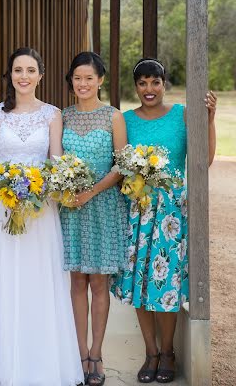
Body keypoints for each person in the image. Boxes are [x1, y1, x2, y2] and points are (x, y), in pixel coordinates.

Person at [0, 47, 83, 386]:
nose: (24, 76)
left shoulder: (52, 115)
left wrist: (36, 191)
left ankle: (42, 365)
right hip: (1, 212)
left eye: (30, 70)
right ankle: (3, 365)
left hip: (40, 212)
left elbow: (56, 160)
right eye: (18, 70)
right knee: (3, 282)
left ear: (40, 75)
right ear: (10, 75)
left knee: (39, 284)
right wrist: (6, 190)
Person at [112, 58, 217, 384]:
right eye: (142, 83)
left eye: (154, 82)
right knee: (138, 285)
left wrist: (210, 120)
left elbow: (204, 161)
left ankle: (168, 352)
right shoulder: (126, 121)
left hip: (171, 215)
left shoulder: (182, 115)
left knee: (166, 285)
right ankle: (150, 352)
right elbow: (118, 166)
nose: (148, 89)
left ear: (164, 84)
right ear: (136, 87)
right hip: (137, 211)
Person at [60, 51, 128, 386]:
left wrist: (90, 192)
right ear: (70, 81)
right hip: (70, 210)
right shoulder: (63, 116)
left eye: (89, 77)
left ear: (100, 80)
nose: (83, 83)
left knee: (99, 282)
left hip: (102, 206)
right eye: (77, 78)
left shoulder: (113, 116)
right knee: (76, 283)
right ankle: (78, 353)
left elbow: (121, 165)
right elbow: (53, 162)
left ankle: (96, 354)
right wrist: (66, 191)